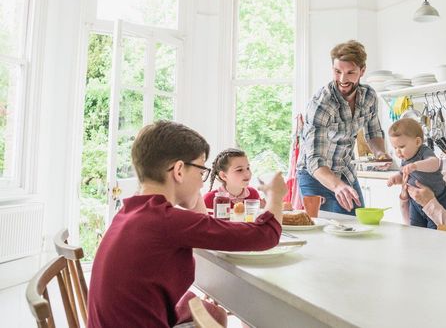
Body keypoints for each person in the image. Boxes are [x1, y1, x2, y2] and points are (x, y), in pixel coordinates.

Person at [87, 120, 286, 328]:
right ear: (179, 170)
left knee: (210, 311)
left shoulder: (132, 212)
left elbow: (203, 222)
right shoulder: (166, 221)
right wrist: (276, 194)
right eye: (201, 172)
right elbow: (265, 235)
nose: (202, 182)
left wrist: (192, 195)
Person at [297, 40, 391, 214]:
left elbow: (373, 132)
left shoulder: (369, 96)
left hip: (345, 172)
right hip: (315, 176)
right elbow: (315, 159)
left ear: (362, 71)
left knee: (357, 228)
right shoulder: (322, 104)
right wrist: (338, 186)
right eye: (337, 71)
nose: (342, 79)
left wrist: (380, 153)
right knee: (323, 234)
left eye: (350, 72)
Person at [386, 119, 446, 228]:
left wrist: (415, 165)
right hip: (415, 202)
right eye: (395, 148)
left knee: (434, 232)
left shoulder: (424, 151)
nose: (398, 152)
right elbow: (403, 175)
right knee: (415, 230)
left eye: (401, 147)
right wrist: (395, 178)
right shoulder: (405, 158)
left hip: (437, 200)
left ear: (417, 142)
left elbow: (434, 163)